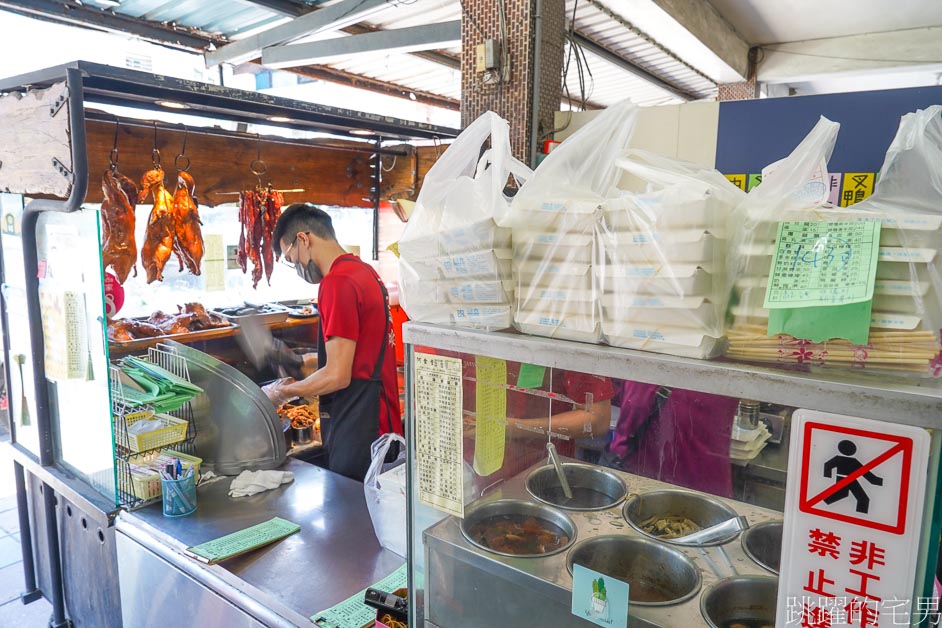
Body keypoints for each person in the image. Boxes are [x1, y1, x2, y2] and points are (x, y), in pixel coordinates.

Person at [264, 203, 403, 481]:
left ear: (303, 239)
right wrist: (303, 364)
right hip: (382, 422)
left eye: (291, 259)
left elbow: (338, 375)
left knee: (354, 518)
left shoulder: (337, 283)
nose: (297, 268)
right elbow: (359, 352)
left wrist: (282, 393)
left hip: (361, 429)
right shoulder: (364, 273)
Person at [603, 382, 738, 498]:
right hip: (713, 485)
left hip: (652, 485)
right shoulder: (727, 363)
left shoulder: (650, 365)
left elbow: (634, 411)